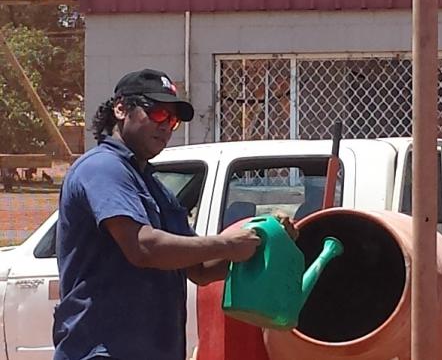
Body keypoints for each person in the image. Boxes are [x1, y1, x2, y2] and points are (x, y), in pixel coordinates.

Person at [53, 69, 296, 360]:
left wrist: (268, 240)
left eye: (173, 119)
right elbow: (143, 247)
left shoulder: (154, 185)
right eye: (156, 113)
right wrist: (228, 245)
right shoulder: (102, 168)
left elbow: (200, 269)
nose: (166, 126)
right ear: (121, 108)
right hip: (102, 350)